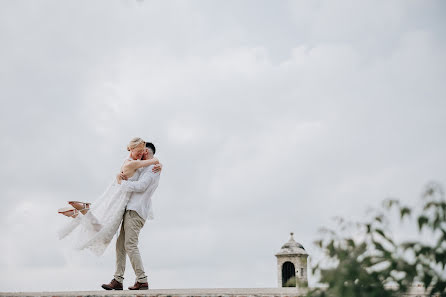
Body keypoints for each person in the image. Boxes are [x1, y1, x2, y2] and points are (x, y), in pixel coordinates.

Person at [57, 137, 161, 257]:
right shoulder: (134, 163)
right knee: (105, 232)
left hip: (120, 196)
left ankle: (80, 213)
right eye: (139, 151)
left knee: (103, 228)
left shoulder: (131, 161)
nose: (141, 153)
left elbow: (147, 164)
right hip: (121, 199)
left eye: (142, 151)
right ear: (132, 149)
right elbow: (153, 161)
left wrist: (159, 164)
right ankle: (82, 213)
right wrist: (158, 163)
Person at [101, 141, 161, 291]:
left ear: (146, 152)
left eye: (142, 150)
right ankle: (118, 279)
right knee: (120, 244)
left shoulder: (152, 169)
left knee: (130, 245)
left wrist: (122, 183)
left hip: (136, 211)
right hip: (130, 210)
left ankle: (142, 280)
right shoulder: (145, 167)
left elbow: (141, 187)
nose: (140, 153)